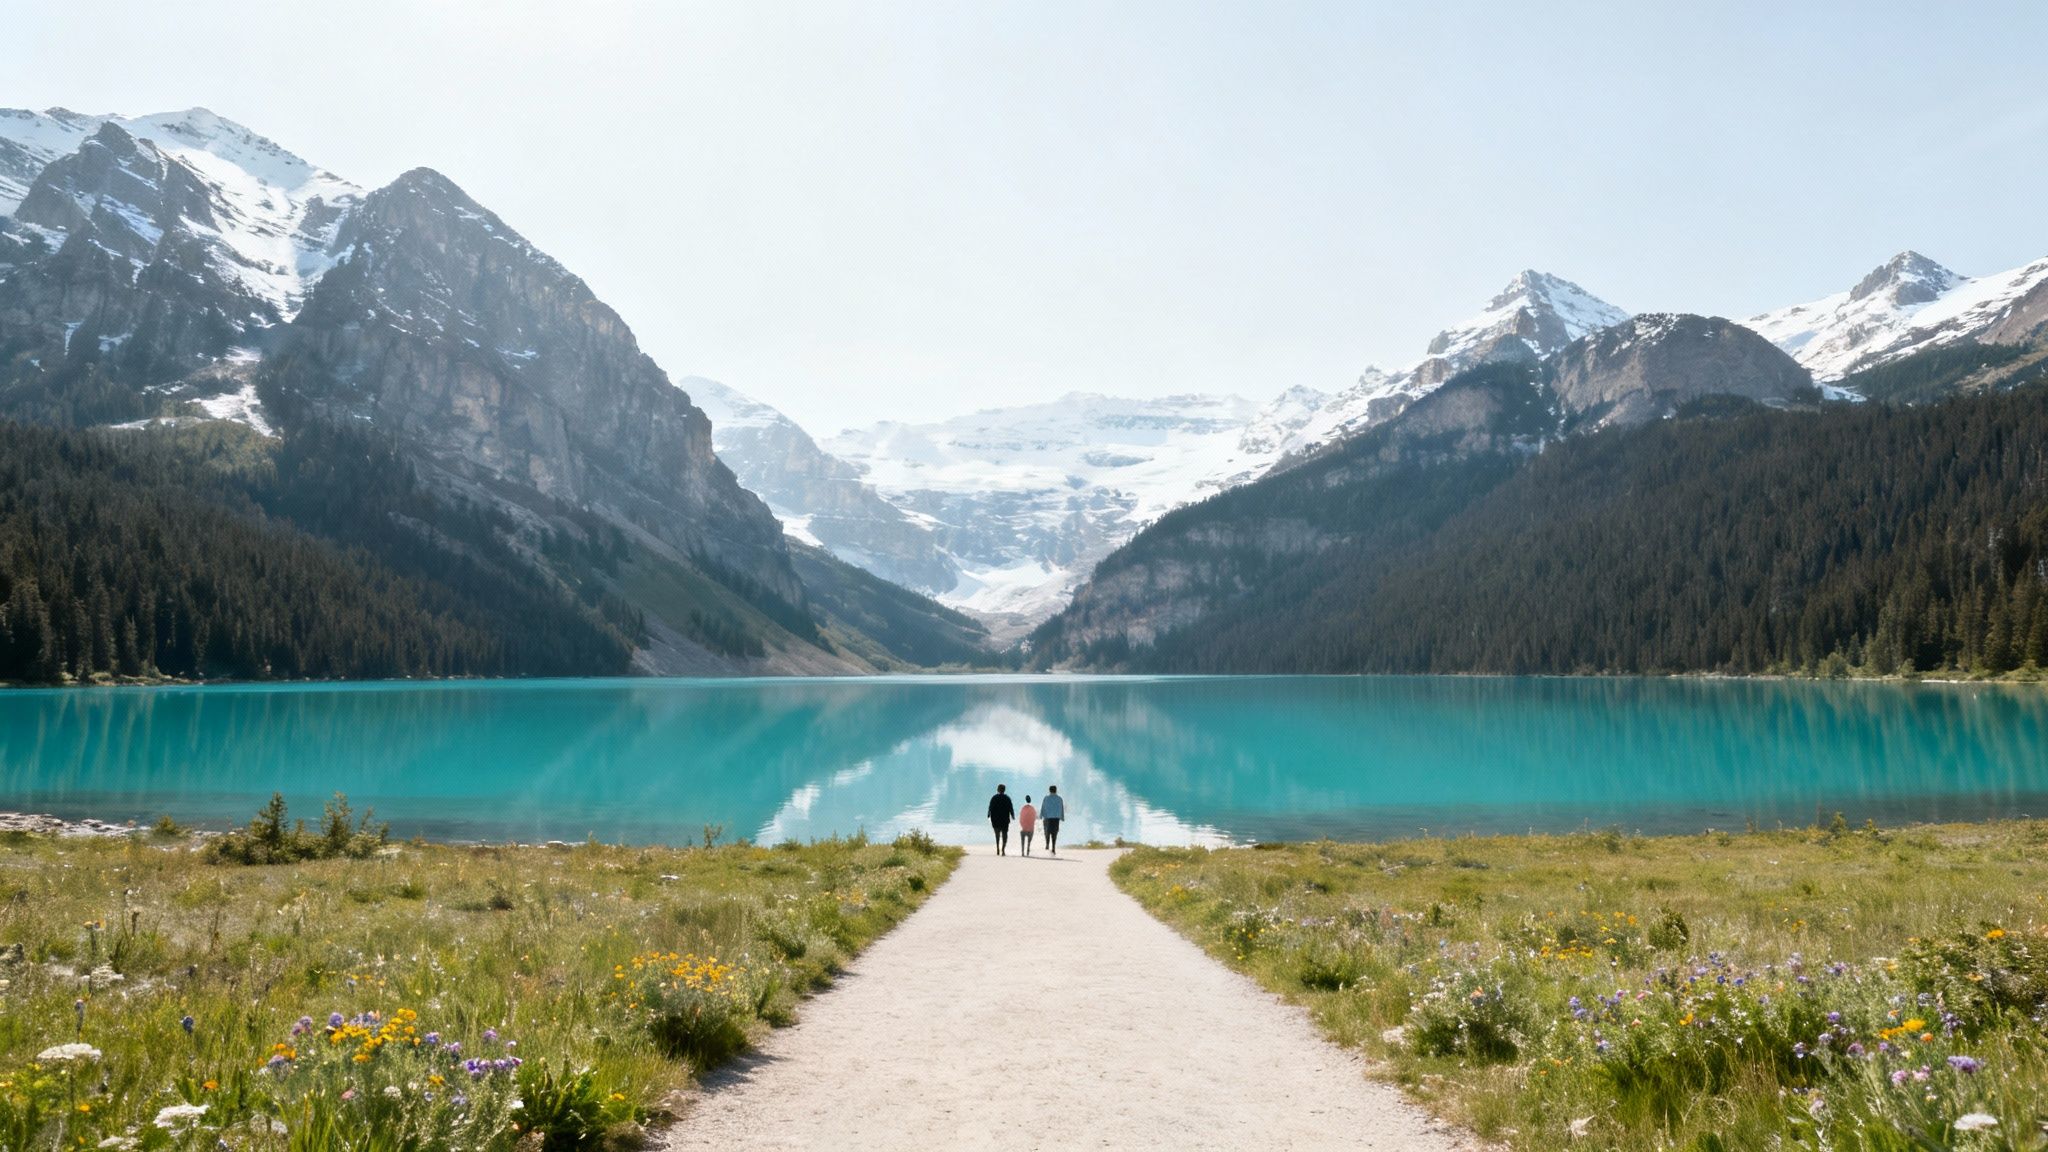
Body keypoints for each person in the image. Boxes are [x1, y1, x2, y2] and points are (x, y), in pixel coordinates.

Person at [986, 784, 1015, 856]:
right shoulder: (1007, 798)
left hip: (995, 819)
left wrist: (988, 814)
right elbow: (1011, 808)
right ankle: (1003, 849)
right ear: (1004, 790)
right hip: (1004, 820)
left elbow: (990, 807)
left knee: (997, 835)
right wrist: (1012, 815)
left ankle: (998, 848)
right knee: (1005, 835)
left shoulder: (994, 798)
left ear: (998, 790)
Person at [1039, 785, 1064, 855]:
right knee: (1054, 833)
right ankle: (1053, 847)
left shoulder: (1046, 798)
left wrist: (1041, 815)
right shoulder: (1059, 799)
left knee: (1047, 831)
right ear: (1056, 790)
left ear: (1049, 790)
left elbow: (1043, 807)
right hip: (1056, 818)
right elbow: (1061, 808)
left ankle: (1047, 843)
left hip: (1047, 818)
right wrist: (1062, 817)